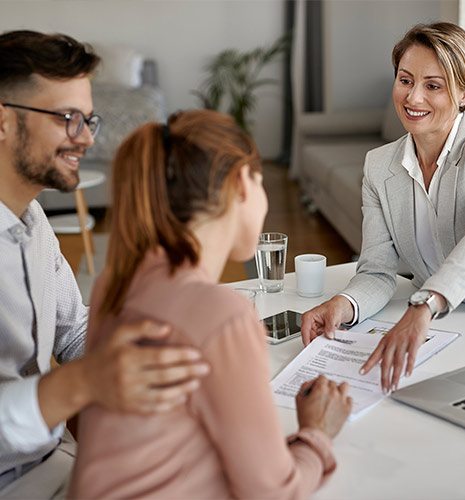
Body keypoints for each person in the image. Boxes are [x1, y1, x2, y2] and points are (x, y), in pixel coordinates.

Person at [68, 110, 352, 499]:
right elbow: (274, 493)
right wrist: (316, 434)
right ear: (241, 183)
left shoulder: (111, 284)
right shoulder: (221, 313)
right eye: (262, 180)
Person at [0, 30, 209, 499]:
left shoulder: (33, 220)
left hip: (51, 459)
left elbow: (74, 333)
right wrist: (81, 383)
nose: (87, 137)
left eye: (88, 119)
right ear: (3, 121)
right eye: (68, 118)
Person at [302, 22, 465, 394]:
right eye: (405, 80)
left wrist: (423, 305)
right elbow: (377, 269)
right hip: (445, 332)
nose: (413, 98)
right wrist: (343, 305)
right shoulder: (379, 166)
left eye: (433, 86)